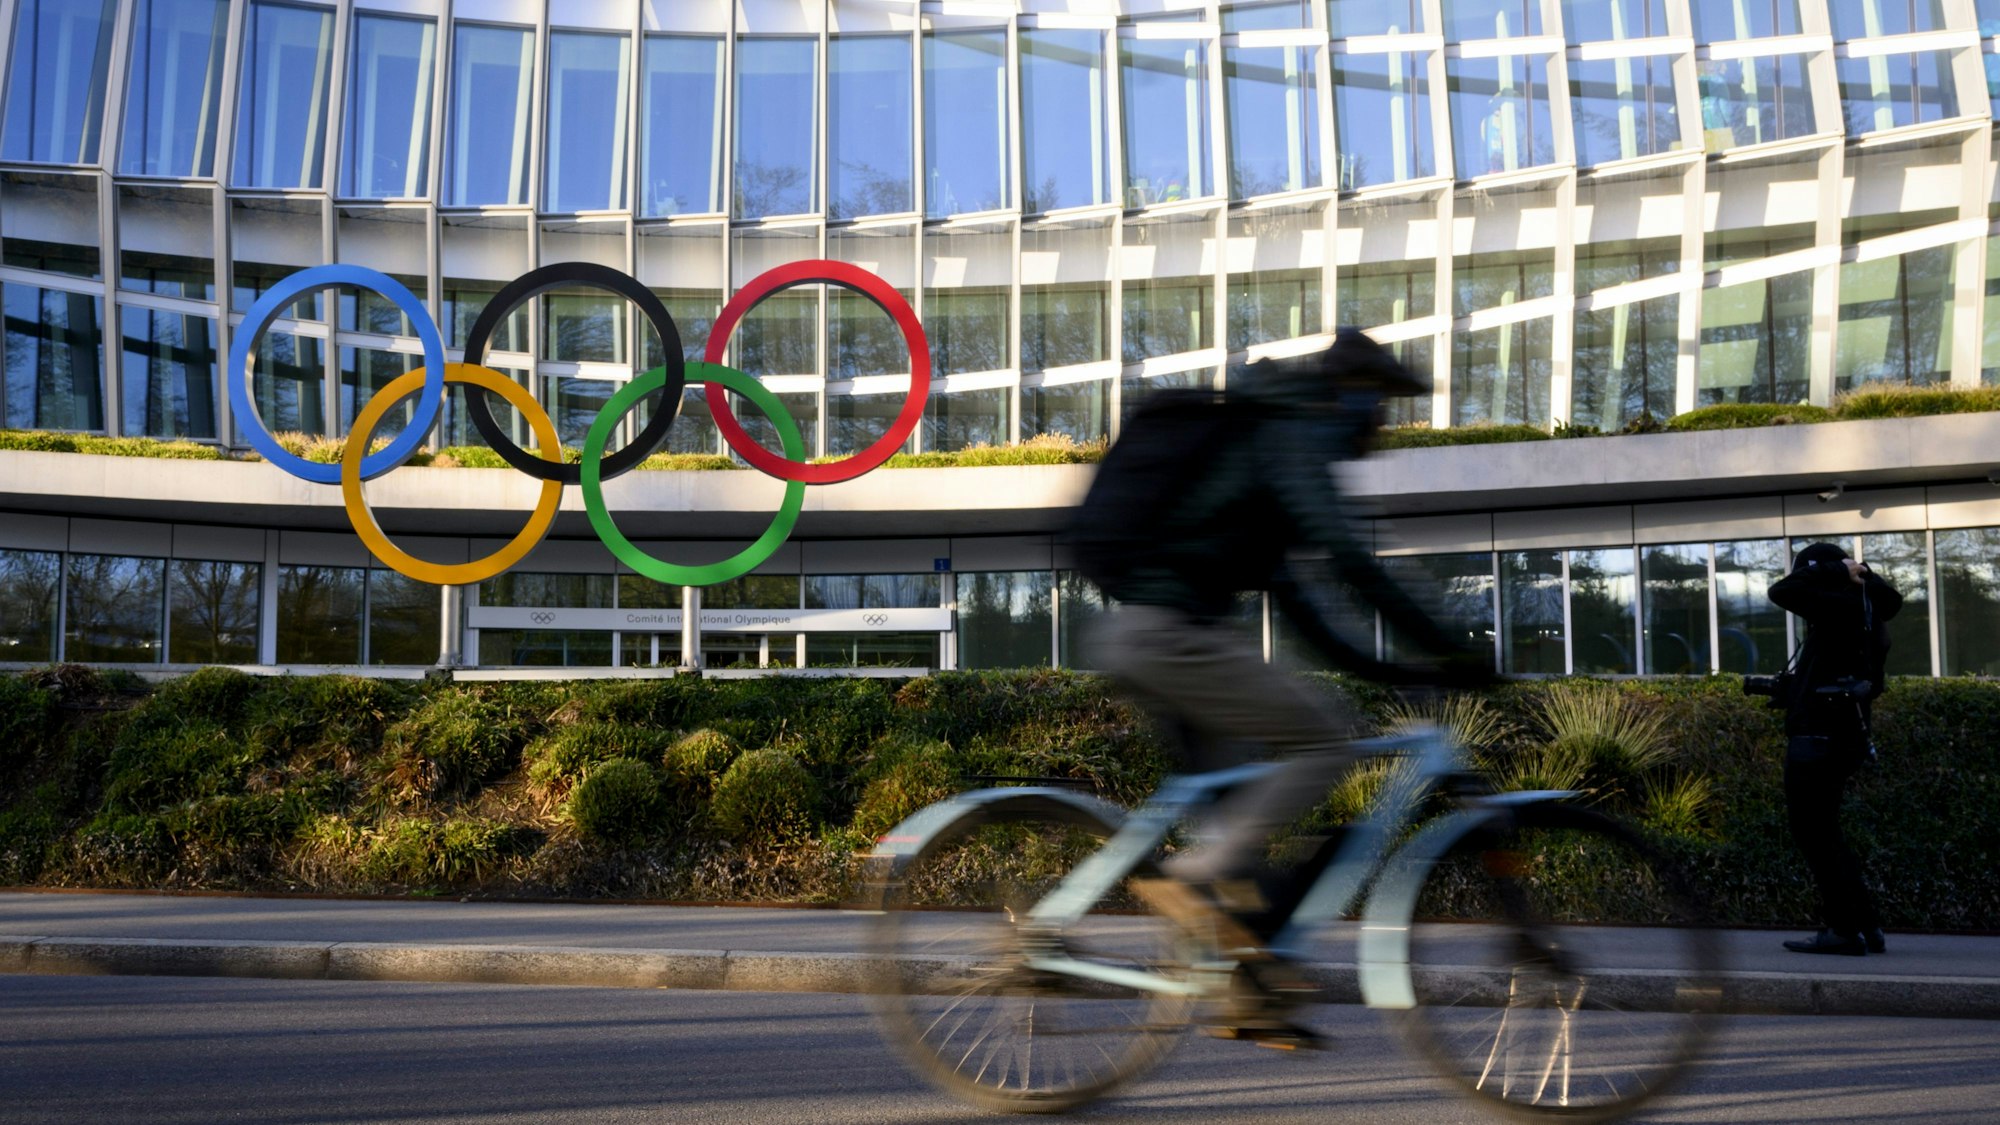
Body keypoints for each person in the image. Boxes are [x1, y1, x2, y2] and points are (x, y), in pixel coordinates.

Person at [1070, 329, 1488, 1043]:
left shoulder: (1268, 444)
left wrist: (1394, 671)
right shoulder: (1294, 436)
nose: (1384, 425)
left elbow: (1304, 608)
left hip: (1154, 636)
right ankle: (1193, 880)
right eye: (1382, 406)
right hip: (1168, 636)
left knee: (1240, 831)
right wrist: (1451, 648)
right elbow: (1353, 561)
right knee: (1325, 741)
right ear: (1352, 396)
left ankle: (1248, 992)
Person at [1767, 542, 1900, 957]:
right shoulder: (1865, 614)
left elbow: (1782, 591)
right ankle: (1866, 926)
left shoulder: (1838, 606)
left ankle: (1844, 930)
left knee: (1816, 838)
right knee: (1828, 836)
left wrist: (1835, 569)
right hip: (1844, 738)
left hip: (1818, 739)